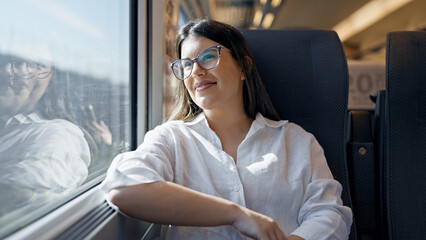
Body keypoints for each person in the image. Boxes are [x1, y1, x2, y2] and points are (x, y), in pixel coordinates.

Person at [100, 19, 352, 240]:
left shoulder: (295, 140)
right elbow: (123, 186)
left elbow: (329, 212)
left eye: (208, 56)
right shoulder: (172, 138)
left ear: (243, 67)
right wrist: (235, 215)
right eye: (186, 65)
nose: (196, 71)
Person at [0, 53, 91, 215]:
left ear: (51, 81)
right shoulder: (9, 126)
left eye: (32, 64)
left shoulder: (56, 135)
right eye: (4, 60)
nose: (7, 70)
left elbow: (20, 191)